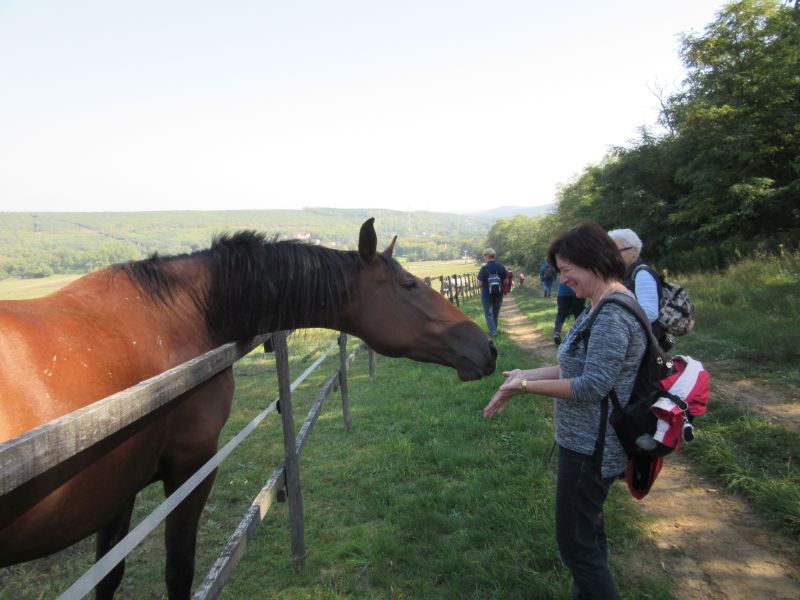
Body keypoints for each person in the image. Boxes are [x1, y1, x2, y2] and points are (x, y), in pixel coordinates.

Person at [483, 221, 648, 600]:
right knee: (587, 538)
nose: (564, 278)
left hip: (591, 449)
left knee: (577, 549)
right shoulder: (601, 305)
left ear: (593, 261)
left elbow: (592, 385)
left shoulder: (612, 315)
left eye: (567, 269)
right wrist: (527, 373)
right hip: (586, 444)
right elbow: (575, 367)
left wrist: (525, 388)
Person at [607, 228, 670, 351]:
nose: (612, 255)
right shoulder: (625, 274)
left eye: (617, 250)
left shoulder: (642, 274)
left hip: (648, 343)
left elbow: (650, 313)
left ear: (634, 251)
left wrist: (619, 323)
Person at [477, 248, 508, 337]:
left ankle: (493, 331)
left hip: (486, 295)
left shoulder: (484, 268)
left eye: (484, 256)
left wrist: (478, 286)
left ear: (487, 256)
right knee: (495, 313)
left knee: (488, 314)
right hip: (498, 294)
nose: (484, 257)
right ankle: (495, 330)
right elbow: (506, 281)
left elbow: (479, 284)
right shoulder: (501, 266)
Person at [553, 279, 586, 346]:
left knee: (561, 313)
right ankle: (581, 335)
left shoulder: (564, 270)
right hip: (577, 292)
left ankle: (557, 332)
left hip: (563, 293)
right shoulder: (580, 269)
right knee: (579, 314)